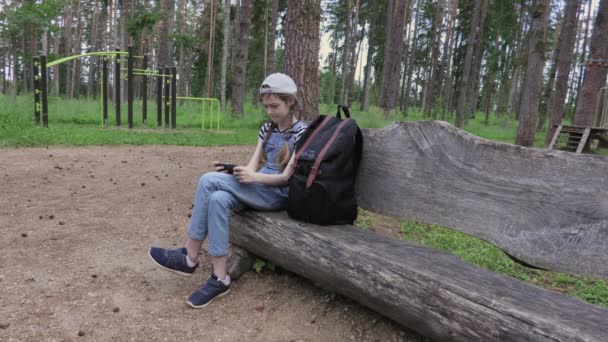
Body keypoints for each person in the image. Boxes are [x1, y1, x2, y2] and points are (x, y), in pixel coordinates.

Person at [149, 73, 307, 308]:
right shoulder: (267, 129)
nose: (270, 112)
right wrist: (239, 171)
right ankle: (220, 278)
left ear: (290, 102)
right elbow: (253, 166)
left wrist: (254, 177)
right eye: (266, 107)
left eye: (275, 106)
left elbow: (286, 178)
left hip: (277, 193)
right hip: (258, 187)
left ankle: (189, 255)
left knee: (207, 180)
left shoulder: (302, 132)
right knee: (218, 198)